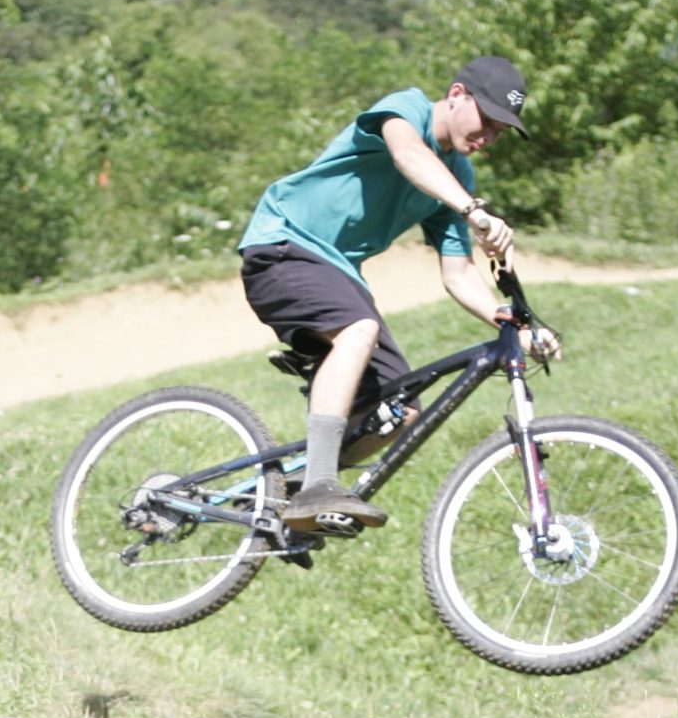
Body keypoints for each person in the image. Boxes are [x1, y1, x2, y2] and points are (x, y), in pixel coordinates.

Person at [236, 55, 554, 533]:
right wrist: (474, 211)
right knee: (357, 328)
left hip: (338, 272)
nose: (489, 136)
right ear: (456, 95)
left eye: (500, 131)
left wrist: (515, 325)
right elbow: (408, 155)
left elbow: (460, 274)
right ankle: (320, 483)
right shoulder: (406, 110)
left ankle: (289, 493)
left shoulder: (457, 178)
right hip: (283, 245)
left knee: (401, 412)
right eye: (486, 119)